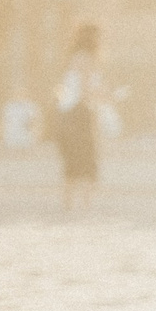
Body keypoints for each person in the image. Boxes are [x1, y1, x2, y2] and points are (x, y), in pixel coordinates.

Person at [54, 23, 106, 212]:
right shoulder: (86, 59)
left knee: (73, 161)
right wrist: (104, 95)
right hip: (80, 113)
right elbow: (85, 91)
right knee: (88, 160)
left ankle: (68, 205)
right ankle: (86, 206)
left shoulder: (74, 58)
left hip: (68, 113)